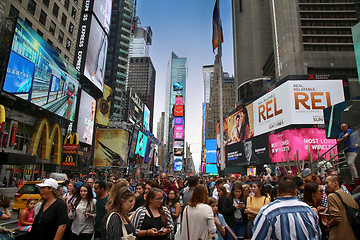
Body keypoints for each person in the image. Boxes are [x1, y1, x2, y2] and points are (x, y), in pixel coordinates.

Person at [252, 177, 321, 239]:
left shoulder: (267, 212)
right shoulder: (309, 211)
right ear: (295, 192)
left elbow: (258, 237)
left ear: (278, 192)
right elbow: (317, 235)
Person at [325, 175, 359, 240]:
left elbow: (336, 218)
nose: (326, 185)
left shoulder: (332, 196)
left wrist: (328, 224)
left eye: (327, 183)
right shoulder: (349, 197)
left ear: (335, 183)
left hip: (339, 235)